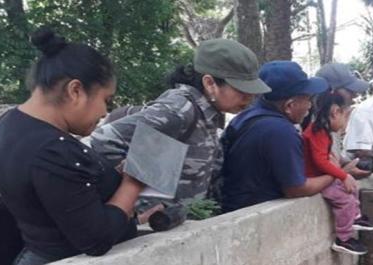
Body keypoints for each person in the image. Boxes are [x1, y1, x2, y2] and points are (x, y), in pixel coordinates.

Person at [0, 28, 144, 265]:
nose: (104, 112)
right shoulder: (52, 150)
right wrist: (133, 183)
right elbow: (96, 239)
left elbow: (61, 194)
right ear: (75, 91)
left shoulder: (9, 123)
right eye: (106, 100)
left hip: (31, 259)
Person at [89, 39, 269, 213]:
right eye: (241, 90)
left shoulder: (211, 112)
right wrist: (145, 194)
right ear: (210, 83)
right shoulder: (180, 110)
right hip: (153, 227)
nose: (249, 98)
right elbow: (104, 139)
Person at [220, 60, 332, 212]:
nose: (310, 105)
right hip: (255, 218)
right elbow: (296, 189)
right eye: (307, 98)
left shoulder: (245, 116)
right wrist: (336, 174)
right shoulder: (281, 131)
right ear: (289, 105)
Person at [303, 92, 373, 255]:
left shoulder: (322, 132)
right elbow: (320, 161)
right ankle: (343, 239)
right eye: (346, 117)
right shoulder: (317, 132)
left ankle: (356, 217)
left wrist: (343, 168)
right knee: (345, 200)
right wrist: (343, 175)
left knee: (352, 188)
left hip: (321, 176)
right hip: (316, 178)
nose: (345, 123)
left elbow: (327, 155)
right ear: (336, 112)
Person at [313, 63, 371, 178]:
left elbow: (332, 155)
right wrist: (343, 172)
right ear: (331, 91)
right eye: (350, 91)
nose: (355, 95)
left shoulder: (332, 119)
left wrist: (349, 163)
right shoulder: (312, 123)